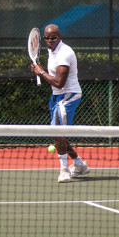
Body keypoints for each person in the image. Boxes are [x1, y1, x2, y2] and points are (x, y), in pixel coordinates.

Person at [30, 24, 90, 183]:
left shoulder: (64, 53)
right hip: (57, 96)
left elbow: (59, 83)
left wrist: (41, 72)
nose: (50, 41)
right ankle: (79, 164)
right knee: (58, 134)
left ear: (59, 37)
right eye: (47, 38)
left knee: (57, 133)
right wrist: (41, 69)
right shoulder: (52, 51)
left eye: (53, 37)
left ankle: (64, 170)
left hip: (68, 95)